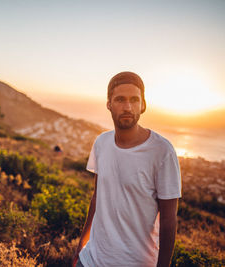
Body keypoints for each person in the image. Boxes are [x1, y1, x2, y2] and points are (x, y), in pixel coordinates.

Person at [72, 72, 181, 267]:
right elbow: (97, 196)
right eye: (120, 99)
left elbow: (168, 219)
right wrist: (83, 243)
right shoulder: (101, 143)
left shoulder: (162, 151)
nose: (128, 107)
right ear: (109, 104)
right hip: (90, 260)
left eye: (134, 100)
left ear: (143, 105)